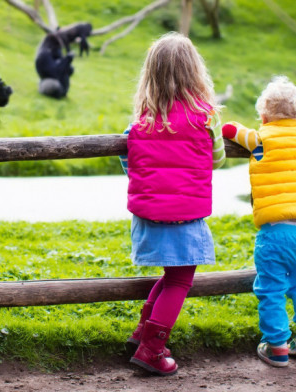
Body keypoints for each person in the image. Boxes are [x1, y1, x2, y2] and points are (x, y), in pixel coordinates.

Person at [118, 32, 225, 376]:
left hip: (149, 216)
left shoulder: (138, 123)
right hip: (185, 216)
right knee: (180, 280)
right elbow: (217, 160)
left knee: (172, 274)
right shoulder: (206, 119)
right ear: (195, 72)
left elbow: (128, 164)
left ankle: (142, 334)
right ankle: (152, 349)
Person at [221, 75, 296, 368]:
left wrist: (244, 127)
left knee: (271, 288)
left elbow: (229, 129)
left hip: (276, 232)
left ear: (265, 116)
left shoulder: (261, 138)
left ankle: (277, 345)